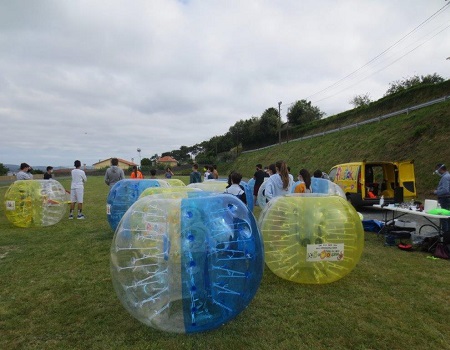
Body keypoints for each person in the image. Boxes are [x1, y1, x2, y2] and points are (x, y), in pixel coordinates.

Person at [433, 163, 450, 240]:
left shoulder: (445, 177)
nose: (437, 171)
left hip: (445, 199)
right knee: (447, 217)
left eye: (437, 169)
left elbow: (445, 190)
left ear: (441, 169)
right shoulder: (446, 176)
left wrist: (436, 192)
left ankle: (445, 237)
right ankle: (447, 236)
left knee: (444, 218)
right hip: (446, 199)